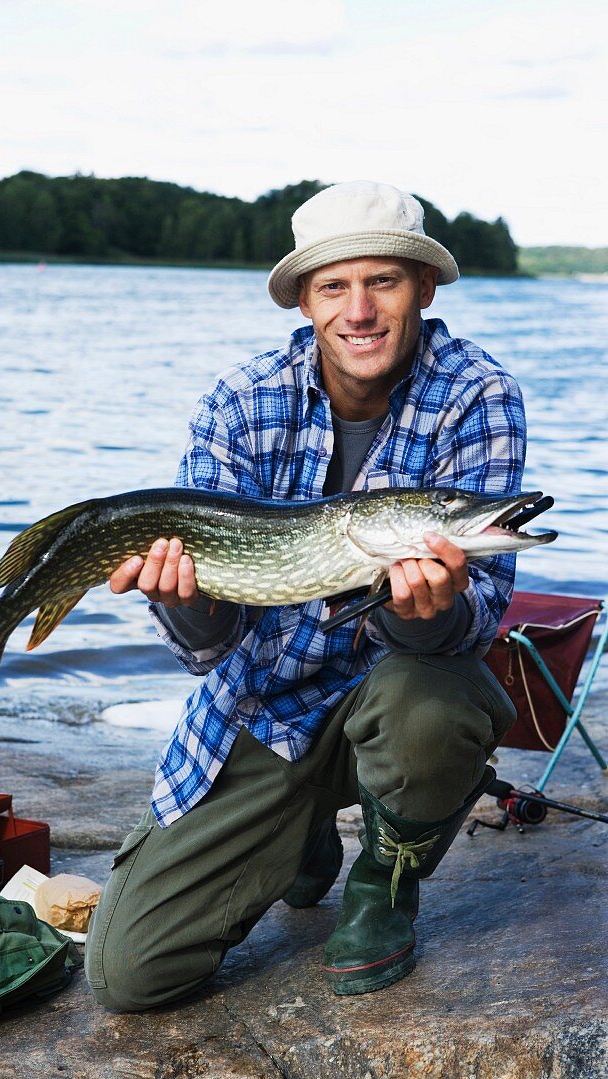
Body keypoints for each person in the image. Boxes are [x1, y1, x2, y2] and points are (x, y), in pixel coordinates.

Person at [85, 180, 524, 1011]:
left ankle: (384, 882)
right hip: (267, 707)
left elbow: (474, 620)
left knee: (432, 702)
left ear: (422, 290)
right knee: (129, 975)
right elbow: (206, 650)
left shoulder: (478, 396)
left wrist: (419, 611)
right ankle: (302, 834)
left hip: (393, 696)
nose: (358, 310)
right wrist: (185, 596)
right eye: (333, 287)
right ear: (306, 302)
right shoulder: (240, 401)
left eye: (382, 282)